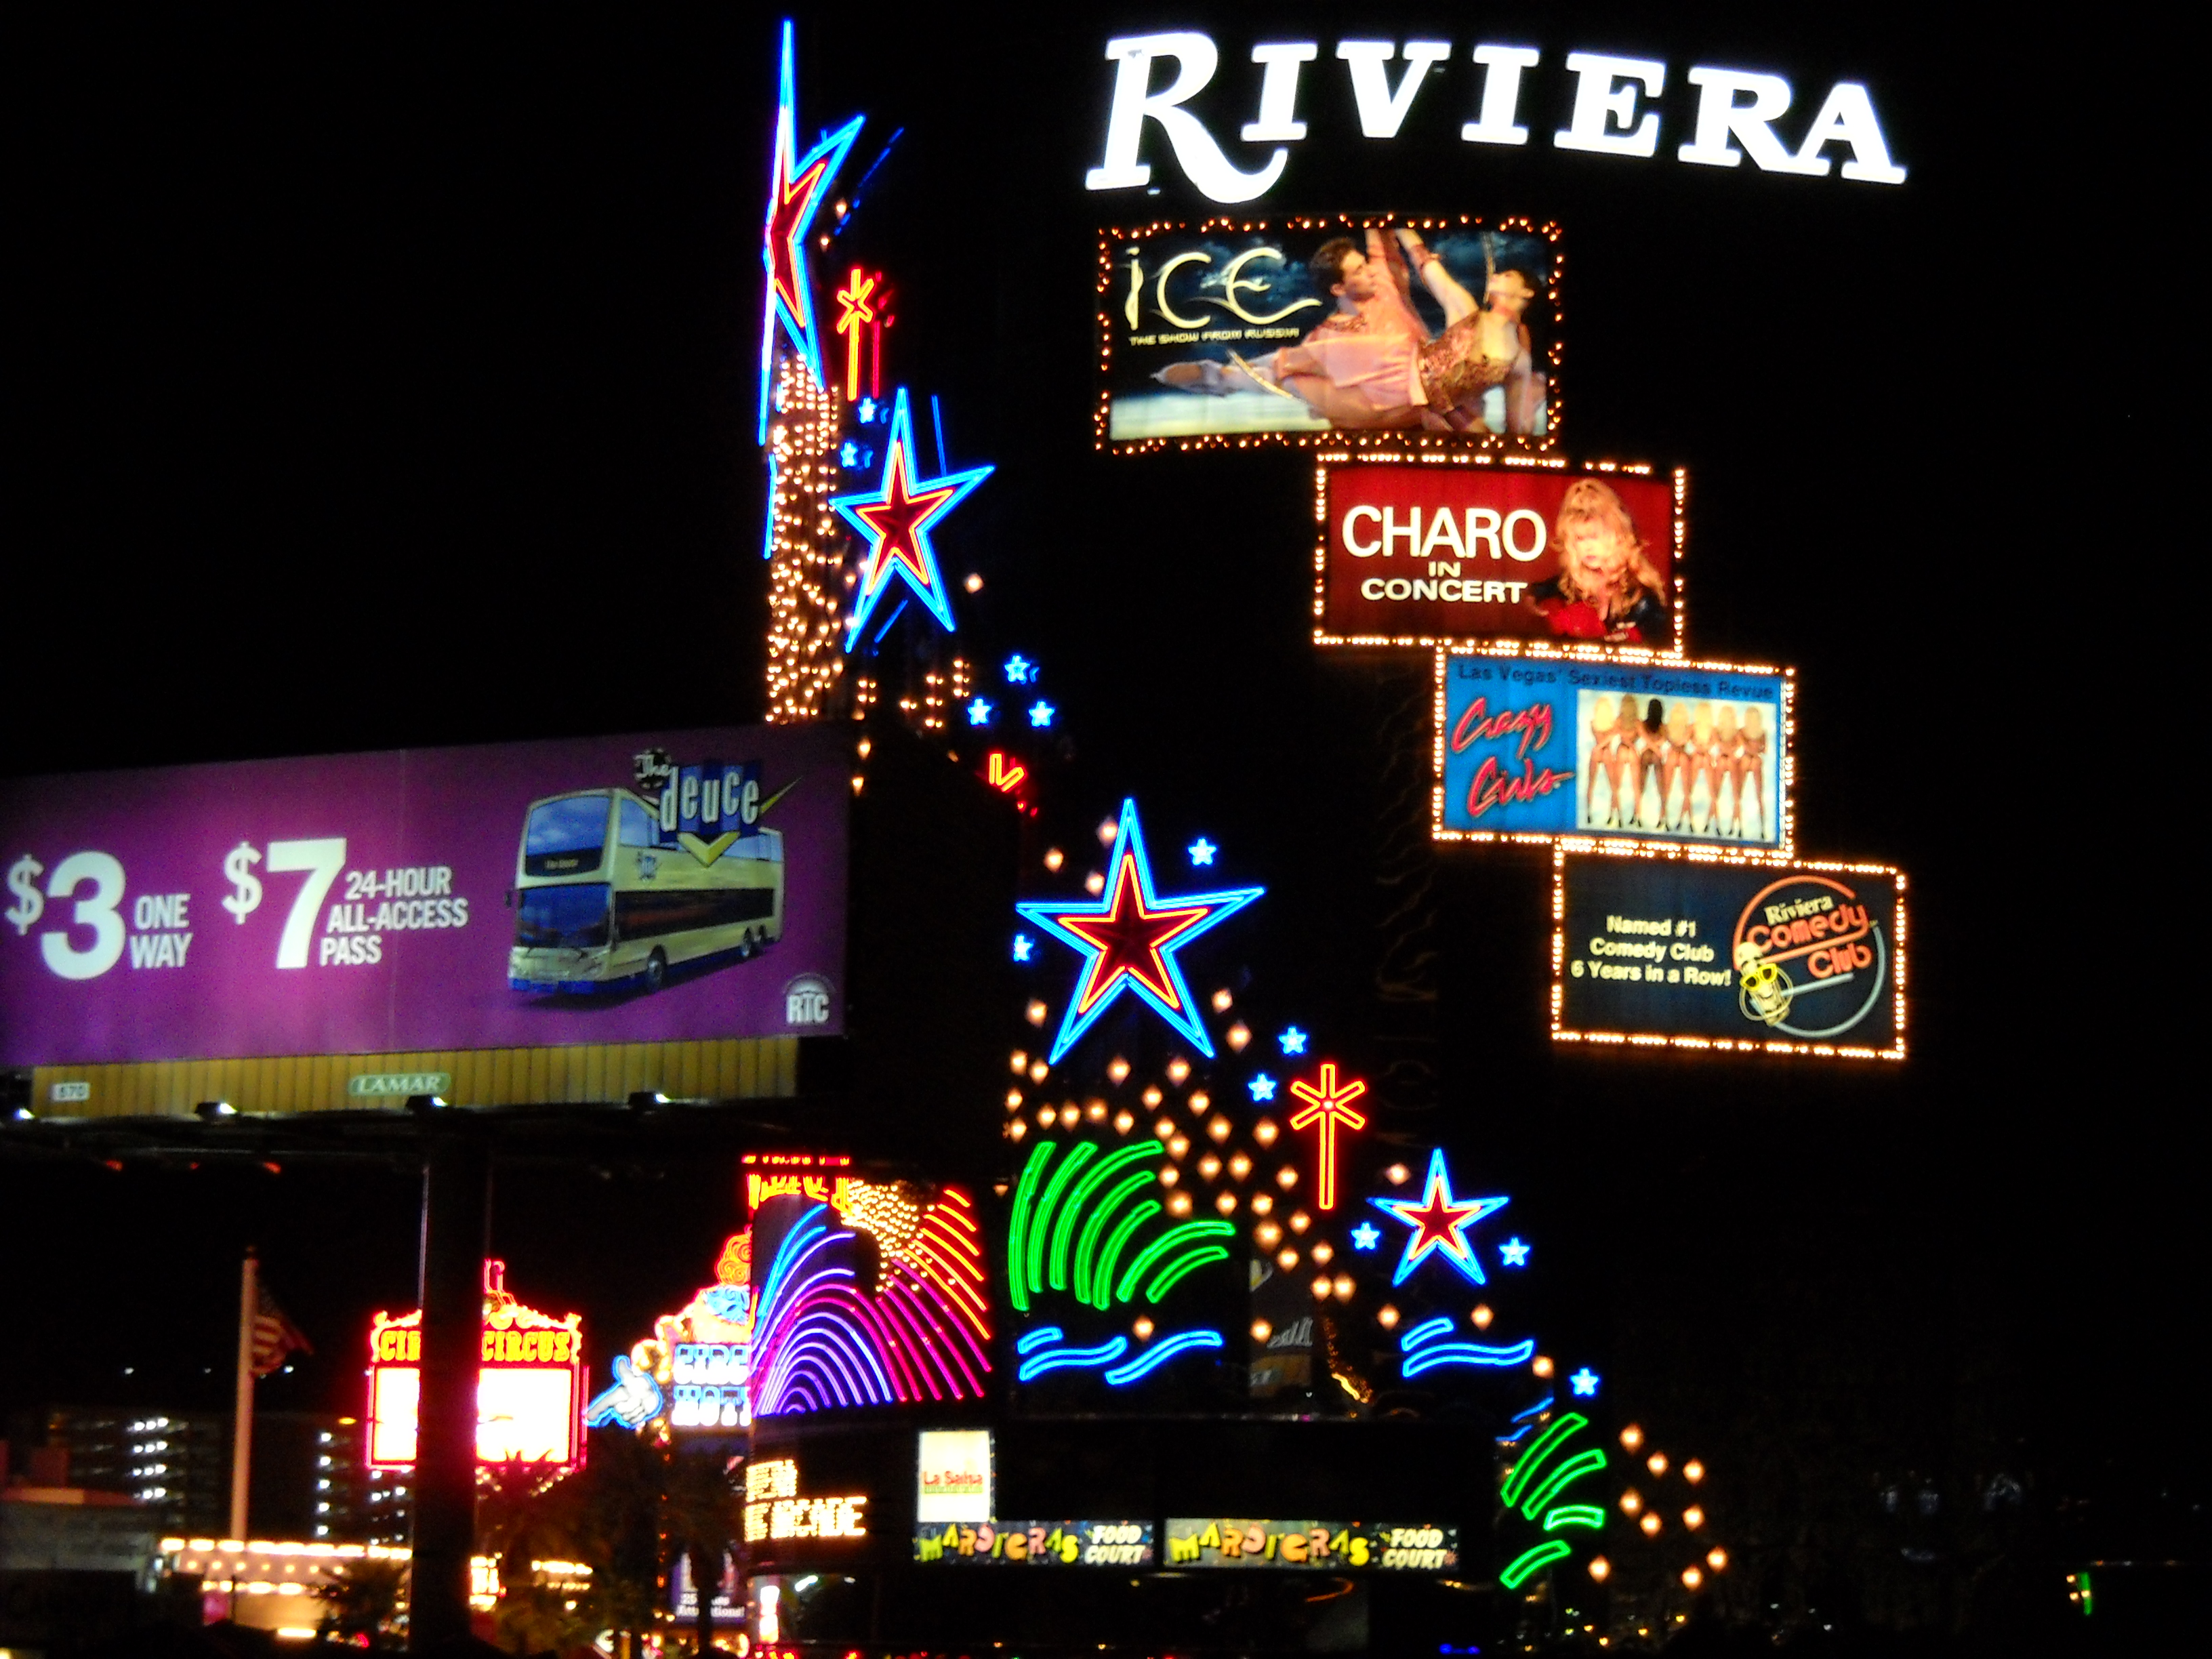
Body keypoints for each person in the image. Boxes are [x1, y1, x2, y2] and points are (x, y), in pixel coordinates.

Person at [1152, 228, 1546, 434]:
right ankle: (1219, 376)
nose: (1371, 271)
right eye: (1358, 270)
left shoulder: (1387, 287)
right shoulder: (1327, 334)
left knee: (1301, 369)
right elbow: (1420, 259)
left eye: (1365, 265)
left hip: (1413, 401)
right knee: (1292, 370)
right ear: (1339, 288)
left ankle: (1221, 377)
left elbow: (1386, 246)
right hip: (1392, 374)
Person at [1528, 478, 1671, 646]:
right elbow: (1536, 595)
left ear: (1617, 535)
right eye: (1580, 538)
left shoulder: (1641, 595)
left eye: (1595, 536)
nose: (1588, 547)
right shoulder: (1566, 587)